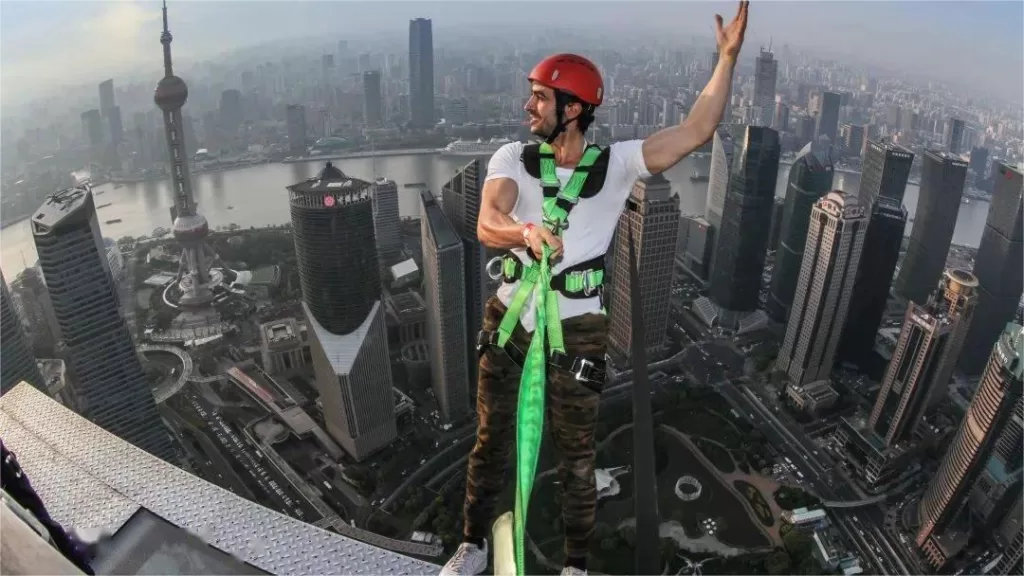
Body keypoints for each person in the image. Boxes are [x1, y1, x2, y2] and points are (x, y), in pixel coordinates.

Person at [439, 3, 748, 575]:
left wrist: (726, 59)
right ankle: (473, 545)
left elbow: (696, 129)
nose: (528, 105)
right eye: (530, 94)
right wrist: (523, 232)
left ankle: (575, 567)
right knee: (490, 442)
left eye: (540, 96)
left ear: (574, 109)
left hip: (578, 328)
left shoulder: (619, 165)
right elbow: (487, 222)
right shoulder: (514, 158)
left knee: (577, 458)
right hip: (509, 317)